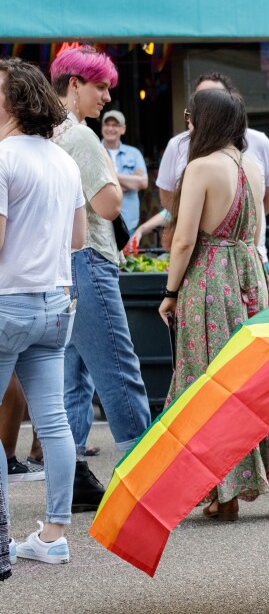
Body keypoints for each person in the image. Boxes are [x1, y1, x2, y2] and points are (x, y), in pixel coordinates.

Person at [159, 88, 269, 522]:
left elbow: (185, 238)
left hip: (211, 278)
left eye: (192, 116)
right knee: (255, 382)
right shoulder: (254, 165)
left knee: (209, 382)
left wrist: (170, 294)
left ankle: (223, 495)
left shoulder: (201, 167)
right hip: (249, 273)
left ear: (204, 121)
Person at [49, 45, 152, 512]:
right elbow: (109, 206)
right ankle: (144, 477)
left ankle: (69, 480)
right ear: (74, 85)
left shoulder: (48, 134)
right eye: (100, 86)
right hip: (91, 258)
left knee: (73, 379)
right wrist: (108, 163)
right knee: (119, 369)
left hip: (61, 266)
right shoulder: (83, 139)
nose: (107, 95)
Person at [0, 56, 87, 564]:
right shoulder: (64, 160)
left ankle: (2, 534)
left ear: (13, 101)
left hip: (8, 301)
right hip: (57, 301)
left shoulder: (4, 157)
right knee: (53, 421)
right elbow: (78, 237)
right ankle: (53, 535)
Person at [156, 72, 269, 272]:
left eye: (215, 97)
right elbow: (167, 195)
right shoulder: (178, 144)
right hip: (199, 259)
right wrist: (190, 223)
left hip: (247, 258)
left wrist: (236, 223)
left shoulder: (259, 142)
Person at [101, 110, 148, 232]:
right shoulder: (95, 152)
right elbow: (93, 185)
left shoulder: (134, 154)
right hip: (101, 223)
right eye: (107, 124)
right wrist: (131, 180)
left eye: (115, 125)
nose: (110, 128)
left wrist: (111, 177)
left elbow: (143, 182)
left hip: (128, 222)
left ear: (123, 129)